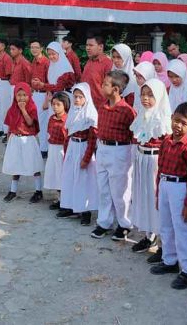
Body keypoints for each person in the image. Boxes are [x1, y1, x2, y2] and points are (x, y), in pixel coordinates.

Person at [150, 102, 187, 290]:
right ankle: (169, 261)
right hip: (165, 184)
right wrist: (158, 193)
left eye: (183, 123)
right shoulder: (166, 142)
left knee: (183, 230)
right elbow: (160, 169)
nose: (178, 126)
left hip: (180, 188)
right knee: (166, 225)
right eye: (176, 120)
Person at [91, 70, 137, 241]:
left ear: (116, 89)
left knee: (120, 190)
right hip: (102, 148)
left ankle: (124, 224)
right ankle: (104, 222)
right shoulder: (103, 106)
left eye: (105, 84)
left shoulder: (127, 111)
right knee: (103, 188)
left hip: (120, 150)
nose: (102, 86)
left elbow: (133, 134)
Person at [129, 78, 172, 259]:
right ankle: (149, 235)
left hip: (155, 162)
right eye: (143, 95)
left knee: (156, 200)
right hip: (141, 159)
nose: (145, 99)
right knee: (144, 197)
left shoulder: (164, 119)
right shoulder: (140, 115)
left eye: (150, 95)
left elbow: (167, 144)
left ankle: (163, 243)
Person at [58, 83, 98, 225]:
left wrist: (86, 159)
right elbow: (68, 134)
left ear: (86, 98)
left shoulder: (90, 115)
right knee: (70, 178)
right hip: (72, 149)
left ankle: (85, 211)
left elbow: (93, 140)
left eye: (80, 97)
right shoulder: (73, 114)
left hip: (83, 148)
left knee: (83, 181)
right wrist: (66, 152)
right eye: (75, 97)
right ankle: (71, 207)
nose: (77, 100)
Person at [1, 83, 46, 204]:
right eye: (19, 95)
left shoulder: (31, 107)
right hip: (15, 139)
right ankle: (13, 190)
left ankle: (38, 191)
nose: (21, 98)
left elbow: (30, 122)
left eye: (24, 95)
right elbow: (10, 125)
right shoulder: (12, 109)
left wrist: (23, 110)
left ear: (29, 95)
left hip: (28, 139)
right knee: (16, 165)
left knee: (33, 165)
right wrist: (9, 136)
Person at [44, 92, 70, 210]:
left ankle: (65, 201)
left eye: (58, 104)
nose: (55, 107)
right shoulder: (51, 118)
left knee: (62, 175)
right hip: (53, 148)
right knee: (55, 174)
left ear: (65, 105)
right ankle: (59, 199)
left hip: (62, 149)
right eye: (53, 104)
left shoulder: (67, 119)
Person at [81, 36, 113, 110]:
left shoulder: (108, 63)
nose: (87, 48)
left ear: (100, 47)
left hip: (100, 107)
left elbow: (109, 88)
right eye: (87, 45)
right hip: (85, 105)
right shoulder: (89, 61)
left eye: (91, 45)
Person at [30, 40, 51, 154]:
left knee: (43, 123)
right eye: (32, 47)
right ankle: (41, 146)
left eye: (36, 47)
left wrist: (47, 100)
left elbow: (49, 81)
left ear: (41, 48)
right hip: (35, 94)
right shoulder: (33, 61)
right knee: (37, 122)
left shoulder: (46, 62)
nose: (34, 49)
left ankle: (44, 149)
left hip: (43, 95)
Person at [0, 38, 13, 140]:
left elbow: (9, 74)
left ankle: (7, 131)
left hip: (5, 82)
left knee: (5, 108)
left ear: (3, 46)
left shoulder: (7, 58)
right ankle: (1, 129)